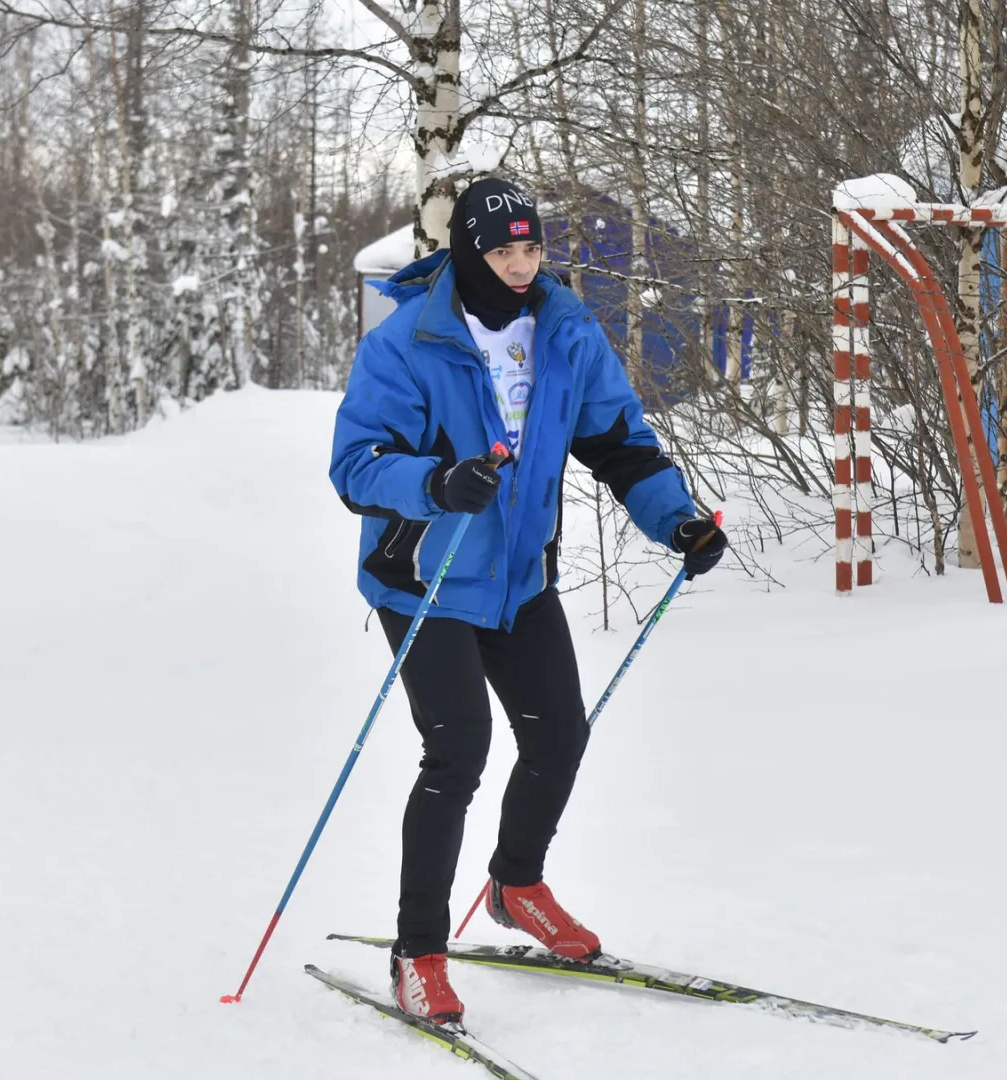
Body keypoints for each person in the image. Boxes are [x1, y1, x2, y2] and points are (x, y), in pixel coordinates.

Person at [328, 177, 728, 1023]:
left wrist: (678, 522)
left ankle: (516, 886)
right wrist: (436, 480)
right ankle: (418, 953)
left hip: (519, 577)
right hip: (426, 578)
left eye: (531, 247)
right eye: (502, 250)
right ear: (470, 253)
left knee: (559, 736)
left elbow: (620, 444)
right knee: (458, 751)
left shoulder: (566, 333)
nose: (520, 265)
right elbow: (357, 465)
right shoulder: (409, 342)